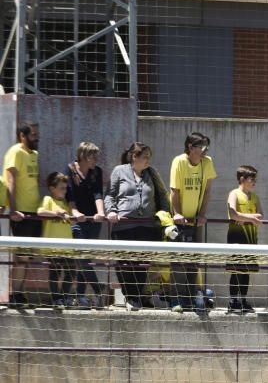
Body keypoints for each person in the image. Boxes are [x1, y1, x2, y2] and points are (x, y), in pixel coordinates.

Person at [105, 143, 172, 311]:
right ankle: (130, 296)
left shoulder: (151, 173)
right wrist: (111, 211)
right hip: (124, 226)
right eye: (145, 157)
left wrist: (164, 214)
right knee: (125, 263)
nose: (148, 160)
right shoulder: (119, 171)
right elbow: (110, 195)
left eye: (149, 157)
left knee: (142, 264)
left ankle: (136, 297)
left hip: (146, 227)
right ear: (134, 157)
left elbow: (163, 195)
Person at [169, 132, 217, 313]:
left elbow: (207, 191)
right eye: (201, 146)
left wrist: (202, 214)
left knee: (193, 261)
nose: (205, 150)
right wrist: (178, 214)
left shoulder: (207, 162)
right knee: (177, 261)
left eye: (206, 147)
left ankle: (190, 298)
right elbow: (175, 190)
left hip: (195, 220)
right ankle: (175, 299)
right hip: (179, 219)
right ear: (190, 147)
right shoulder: (179, 161)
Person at [3, 121, 41, 307]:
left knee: (27, 258)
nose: (37, 137)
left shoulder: (34, 154)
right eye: (33, 134)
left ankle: (19, 293)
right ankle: (15, 295)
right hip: (22, 213)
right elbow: (11, 181)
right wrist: (13, 208)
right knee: (21, 258)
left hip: (34, 213)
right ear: (22, 136)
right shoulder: (16, 152)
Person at [66, 141, 107, 308]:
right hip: (77, 221)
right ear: (83, 156)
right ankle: (99, 289)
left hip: (93, 220)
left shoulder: (96, 172)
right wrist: (75, 213)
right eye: (92, 156)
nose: (96, 159)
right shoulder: (70, 170)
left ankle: (81, 296)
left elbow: (98, 193)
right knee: (82, 259)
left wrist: (101, 213)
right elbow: (70, 196)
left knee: (86, 259)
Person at [37, 172, 83, 310]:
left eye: (65, 188)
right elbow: (40, 212)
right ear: (52, 188)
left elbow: (69, 220)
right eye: (62, 188)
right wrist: (56, 213)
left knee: (71, 271)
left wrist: (74, 218)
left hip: (67, 246)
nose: (65, 190)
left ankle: (64, 296)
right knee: (55, 272)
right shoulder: (48, 200)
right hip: (53, 246)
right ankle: (56, 298)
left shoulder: (64, 203)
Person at [225, 165, 264, 314]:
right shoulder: (234, 194)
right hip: (236, 236)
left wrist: (246, 218)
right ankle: (233, 301)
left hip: (251, 238)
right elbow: (233, 214)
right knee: (236, 270)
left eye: (255, 179)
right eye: (251, 179)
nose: (254, 182)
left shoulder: (255, 197)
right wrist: (251, 218)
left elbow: (261, 215)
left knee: (246, 271)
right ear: (242, 179)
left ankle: (243, 300)